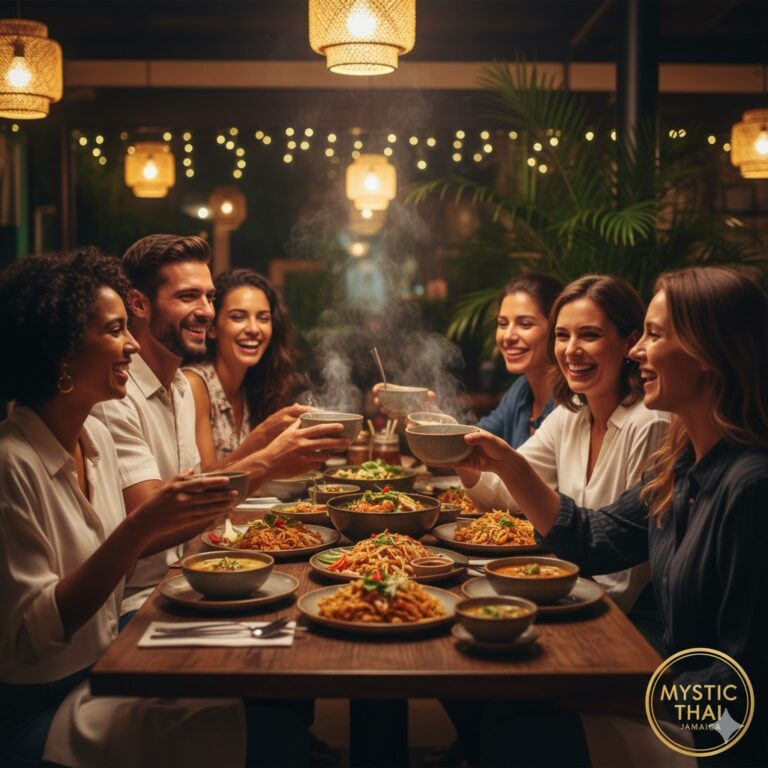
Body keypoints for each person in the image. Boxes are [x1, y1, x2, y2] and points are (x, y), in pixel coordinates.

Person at [0, 249, 310, 768]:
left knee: (284, 655)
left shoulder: (91, 434)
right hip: (48, 703)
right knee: (274, 736)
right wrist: (141, 529)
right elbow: (36, 637)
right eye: (115, 331)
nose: (129, 346)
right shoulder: (13, 463)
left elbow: (176, 510)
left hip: (109, 667)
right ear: (61, 353)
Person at [459, 266, 768, 767]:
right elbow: (596, 536)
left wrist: (619, 696)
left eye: (654, 335)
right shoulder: (685, 462)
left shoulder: (750, 486)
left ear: (710, 354)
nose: (637, 351)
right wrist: (510, 464)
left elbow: (739, 689)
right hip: (666, 691)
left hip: (714, 742)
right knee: (503, 709)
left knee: (516, 734)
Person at [91, 234, 348, 614]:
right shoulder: (117, 398)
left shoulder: (178, 387)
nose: (206, 311)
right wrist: (268, 460)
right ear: (139, 304)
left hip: (194, 574)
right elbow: (147, 530)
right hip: (140, 602)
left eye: (209, 297)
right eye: (187, 296)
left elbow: (200, 488)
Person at [459, 275, 669, 617]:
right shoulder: (572, 411)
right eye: (562, 335)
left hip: (619, 618)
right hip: (567, 592)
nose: (571, 350)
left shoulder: (650, 422)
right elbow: (502, 494)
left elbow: (624, 577)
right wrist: (459, 452)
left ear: (630, 343)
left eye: (589, 335)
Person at [183, 268, 310, 468]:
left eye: (263, 318)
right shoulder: (194, 385)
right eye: (238, 317)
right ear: (213, 328)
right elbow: (204, 480)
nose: (253, 329)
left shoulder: (252, 386)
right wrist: (263, 435)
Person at [476, 273, 563, 447]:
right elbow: (473, 446)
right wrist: (434, 423)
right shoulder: (520, 392)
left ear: (557, 329)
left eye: (525, 324)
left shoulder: (571, 403)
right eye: (502, 324)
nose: (507, 336)